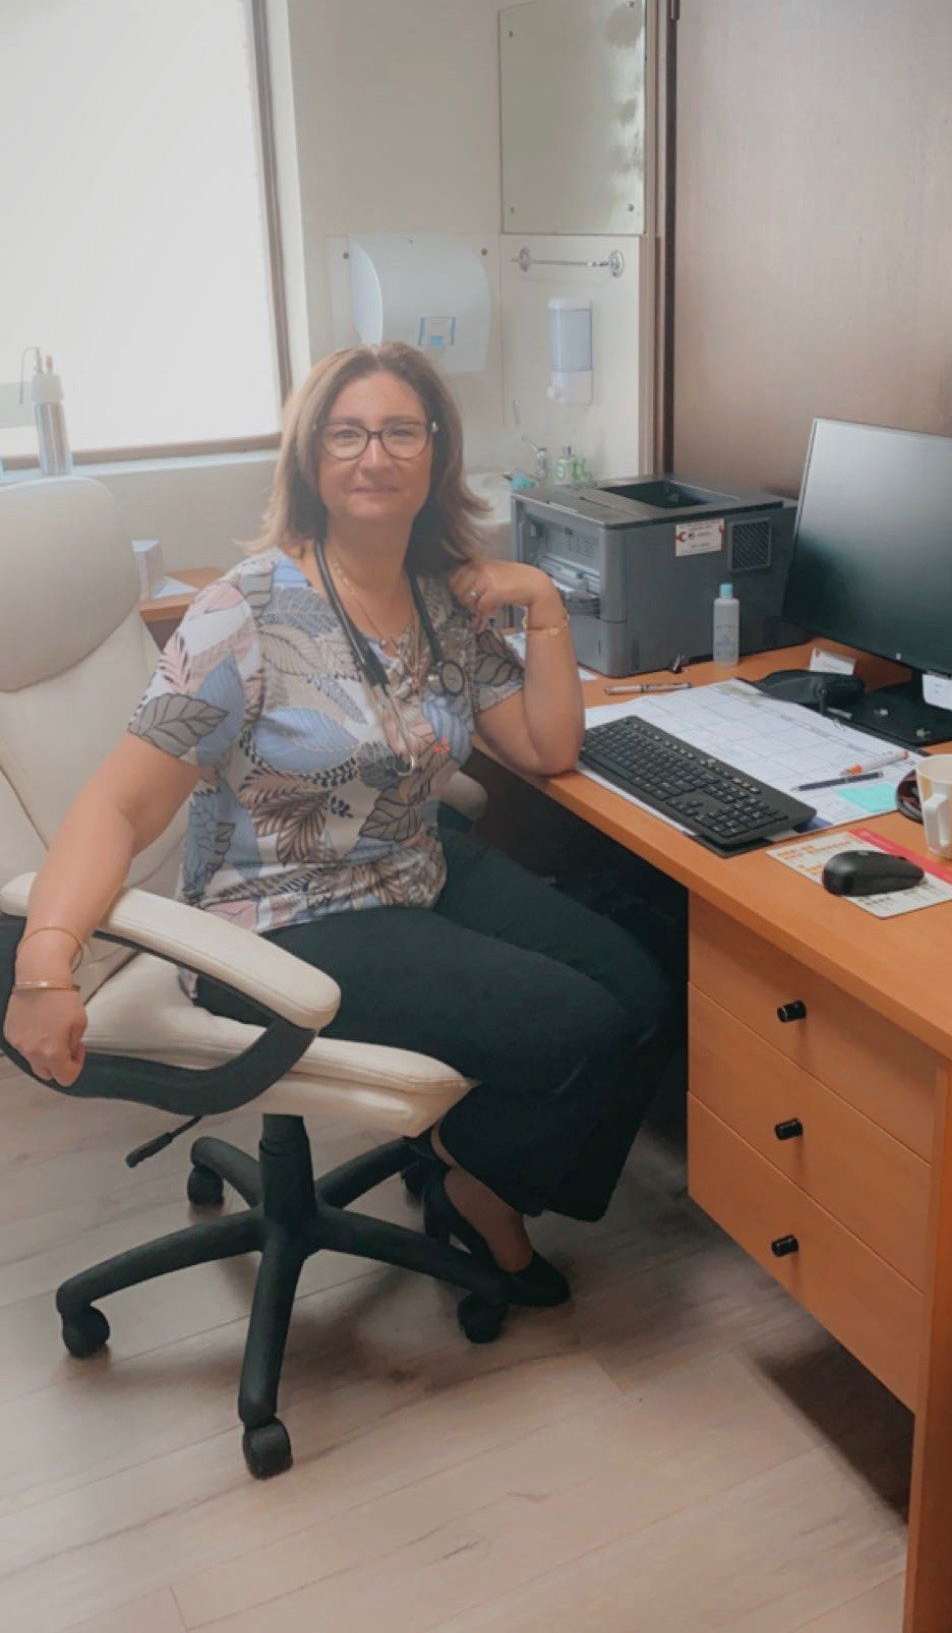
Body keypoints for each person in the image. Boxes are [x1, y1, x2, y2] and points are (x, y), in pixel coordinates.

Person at [3, 342, 669, 1307]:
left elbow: (545, 749)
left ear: (435, 454)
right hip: (283, 916)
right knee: (577, 1028)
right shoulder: (245, 612)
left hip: (415, 863)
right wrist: (44, 964)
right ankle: (470, 1171)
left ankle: (474, 1152)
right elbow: (119, 802)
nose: (374, 455)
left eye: (401, 431)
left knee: (641, 993)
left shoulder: (442, 595)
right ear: (310, 460)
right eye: (347, 434)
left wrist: (542, 603)